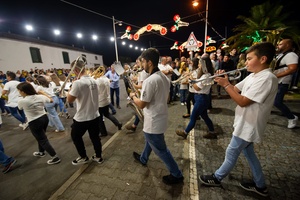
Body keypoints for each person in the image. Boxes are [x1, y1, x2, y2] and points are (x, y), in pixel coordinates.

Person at [199, 42, 278, 197]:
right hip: (244, 122)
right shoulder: (254, 76)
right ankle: (260, 186)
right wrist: (224, 80)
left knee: (231, 151)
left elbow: (242, 101)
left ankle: (217, 177)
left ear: (262, 59)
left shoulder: (267, 78)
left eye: (249, 59)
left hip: (250, 124)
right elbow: (235, 90)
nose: (245, 62)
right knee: (249, 154)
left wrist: (226, 84)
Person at [130, 48, 184, 185]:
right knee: (151, 141)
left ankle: (176, 174)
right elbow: (164, 99)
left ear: (149, 62)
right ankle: (143, 158)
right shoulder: (164, 78)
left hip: (153, 120)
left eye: (142, 61)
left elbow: (142, 104)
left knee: (161, 149)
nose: (141, 64)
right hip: (161, 117)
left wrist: (133, 97)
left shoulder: (150, 80)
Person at [67, 58, 104, 165]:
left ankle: (83, 157)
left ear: (76, 70)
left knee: (75, 136)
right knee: (95, 137)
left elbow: (70, 100)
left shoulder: (78, 83)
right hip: (94, 115)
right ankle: (98, 156)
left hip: (83, 117)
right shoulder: (94, 80)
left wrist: (70, 88)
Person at [17, 82, 61, 165]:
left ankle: (55, 157)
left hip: (34, 121)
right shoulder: (40, 97)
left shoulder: (22, 101)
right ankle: (41, 152)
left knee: (42, 139)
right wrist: (42, 93)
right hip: (44, 118)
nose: (19, 92)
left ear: (23, 91)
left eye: (19, 91)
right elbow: (51, 100)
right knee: (41, 137)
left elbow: (19, 108)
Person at [176, 56, 217, 140]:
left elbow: (197, 88)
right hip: (200, 97)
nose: (198, 65)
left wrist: (190, 80)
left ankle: (185, 133)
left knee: (193, 117)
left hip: (201, 98)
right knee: (205, 116)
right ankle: (212, 132)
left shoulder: (206, 76)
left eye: (200, 64)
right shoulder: (204, 74)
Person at [273, 39, 299, 128]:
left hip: (282, 81)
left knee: (277, 102)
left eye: (280, 44)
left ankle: (292, 118)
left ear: (287, 45)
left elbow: (292, 68)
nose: (278, 46)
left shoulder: (291, 55)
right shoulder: (281, 55)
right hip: (276, 81)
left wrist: (276, 76)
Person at [95, 66, 122, 136]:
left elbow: (95, 91)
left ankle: (103, 132)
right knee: (107, 114)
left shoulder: (97, 81)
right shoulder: (106, 79)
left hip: (100, 102)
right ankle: (118, 123)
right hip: (106, 100)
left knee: (100, 118)